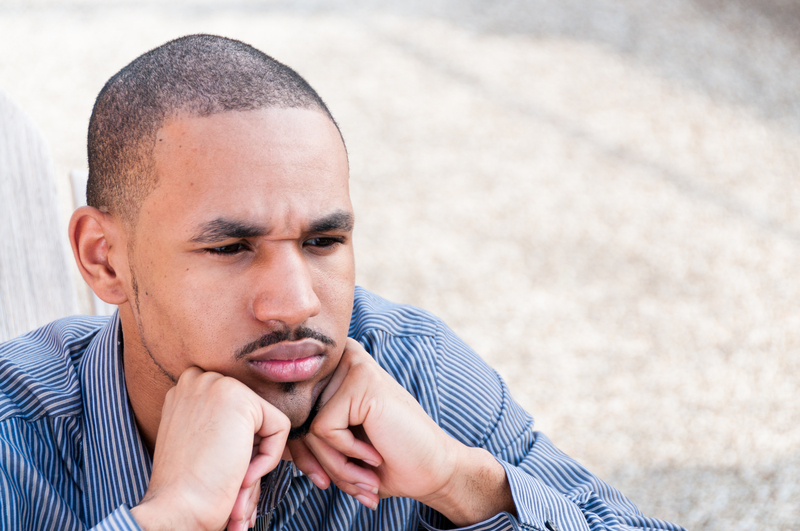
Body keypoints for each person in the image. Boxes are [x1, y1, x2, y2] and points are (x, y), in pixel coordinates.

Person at [0, 34, 684, 531]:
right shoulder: (17, 436)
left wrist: (460, 481)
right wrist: (172, 515)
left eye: (323, 241)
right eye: (231, 247)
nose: (298, 302)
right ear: (104, 260)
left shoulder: (415, 372)